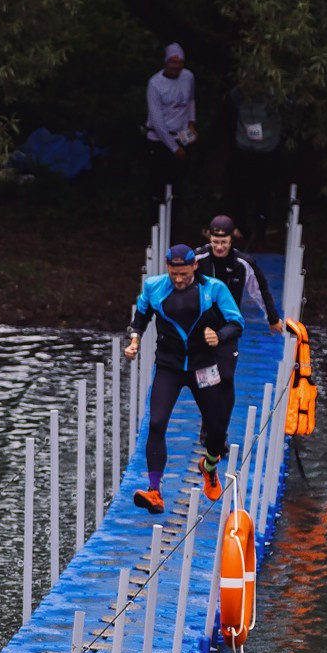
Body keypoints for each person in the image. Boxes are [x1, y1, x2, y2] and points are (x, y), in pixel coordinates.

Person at [123, 242, 243, 512]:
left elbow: (237, 323)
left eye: (184, 275)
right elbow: (140, 317)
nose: (178, 280)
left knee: (216, 429)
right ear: (167, 269)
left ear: (194, 267)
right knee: (156, 423)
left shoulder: (213, 289)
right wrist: (134, 341)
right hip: (170, 365)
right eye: (173, 274)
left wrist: (219, 336)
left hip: (203, 365)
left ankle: (208, 467)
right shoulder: (154, 287)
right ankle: (154, 491)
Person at [193, 212, 283, 369]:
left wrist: (273, 318)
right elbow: (178, 282)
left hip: (229, 323)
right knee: (202, 373)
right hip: (201, 322)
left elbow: (260, 289)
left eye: (224, 242)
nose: (219, 247)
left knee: (225, 373)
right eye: (215, 242)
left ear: (232, 239)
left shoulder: (243, 263)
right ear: (209, 238)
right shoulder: (197, 258)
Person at [145, 43, 196, 158]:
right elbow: (157, 121)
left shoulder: (188, 76)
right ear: (166, 62)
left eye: (180, 62)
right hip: (160, 139)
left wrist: (191, 124)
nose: (176, 66)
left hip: (182, 135)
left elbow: (190, 100)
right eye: (172, 62)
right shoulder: (155, 83)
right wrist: (174, 148)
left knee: (182, 172)